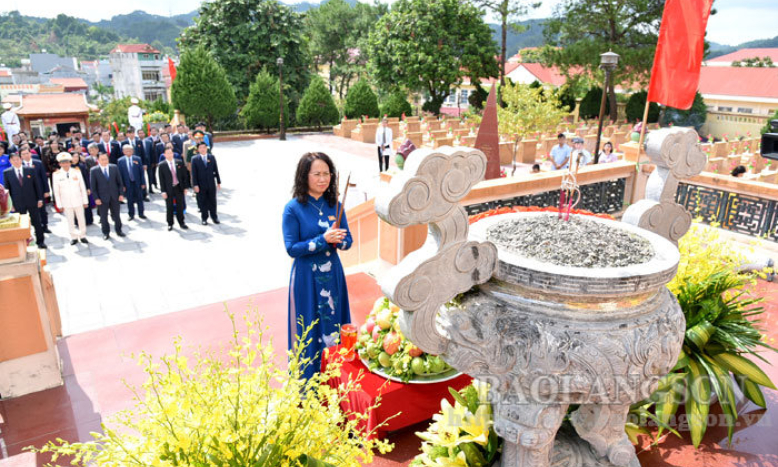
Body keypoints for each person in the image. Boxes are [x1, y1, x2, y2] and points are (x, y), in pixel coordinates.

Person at [282, 152, 352, 380]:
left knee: (334, 321)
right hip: (306, 278)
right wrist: (323, 240)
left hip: (333, 275)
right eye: (317, 174)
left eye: (326, 174)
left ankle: (336, 378)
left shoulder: (335, 205)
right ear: (304, 176)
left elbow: (348, 240)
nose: (323, 179)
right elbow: (292, 248)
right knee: (309, 325)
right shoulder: (293, 209)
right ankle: (310, 379)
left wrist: (341, 241)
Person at [3, 151, 46, 248]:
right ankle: (25, 242)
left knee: (37, 222)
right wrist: (10, 205)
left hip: (32, 200)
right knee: (22, 224)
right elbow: (7, 190)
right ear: (10, 161)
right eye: (13, 160)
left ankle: (40, 242)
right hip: (18, 203)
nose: (16, 161)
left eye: (18, 159)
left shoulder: (29, 170)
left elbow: (37, 186)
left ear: (21, 159)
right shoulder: (7, 172)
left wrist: (40, 199)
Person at [53, 152, 89, 245]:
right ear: (60, 164)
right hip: (66, 202)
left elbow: (82, 187)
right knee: (70, 220)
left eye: (67, 162)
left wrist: (85, 201)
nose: (65, 164)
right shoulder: (56, 175)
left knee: (81, 219)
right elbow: (56, 192)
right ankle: (73, 236)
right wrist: (59, 204)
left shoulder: (76, 172)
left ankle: (82, 235)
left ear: (70, 162)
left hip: (78, 200)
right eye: (63, 163)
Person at [90, 152, 125, 239]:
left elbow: (120, 182)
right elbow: (93, 187)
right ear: (98, 160)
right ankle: (106, 232)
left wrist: (121, 194)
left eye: (106, 159)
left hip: (114, 196)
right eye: (102, 159)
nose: (104, 161)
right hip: (102, 198)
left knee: (116, 215)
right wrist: (96, 198)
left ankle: (119, 230)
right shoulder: (94, 170)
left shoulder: (114, 167)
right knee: (103, 216)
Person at [20, 145, 51, 232]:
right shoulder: (20, 165)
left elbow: (44, 178)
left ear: (30, 153)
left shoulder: (38, 163)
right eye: (23, 154)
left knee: (42, 210)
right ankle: (36, 227)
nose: (26, 155)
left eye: (27, 153)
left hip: (40, 190)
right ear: (21, 156)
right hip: (28, 192)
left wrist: (46, 190)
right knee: (32, 211)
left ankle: (45, 226)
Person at [158, 145, 190, 231]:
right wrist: (163, 191)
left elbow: (184, 176)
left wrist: (185, 187)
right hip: (168, 189)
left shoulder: (179, 162)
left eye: (171, 153)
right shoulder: (162, 165)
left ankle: (181, 222)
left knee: (180, 205)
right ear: (164, 155)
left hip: (178, 187)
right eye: (167, 153)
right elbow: (161, 179)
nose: (169, 155)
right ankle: (170, 223)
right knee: (169, 206)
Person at [190, 142, 221, 225]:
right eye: (200, 148)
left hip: (211, 184)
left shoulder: (211, 157)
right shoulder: (195, 159)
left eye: (204, 147)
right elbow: (193, 173)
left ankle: (214, 217)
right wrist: (195, 185)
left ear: (206, 148)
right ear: (198, 149)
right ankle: (204, 218)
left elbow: (216, 170)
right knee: (202, 201)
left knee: (212, 201)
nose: (203, 149)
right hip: (200, 185)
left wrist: (218, 181)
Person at [117, 144, 146, 220]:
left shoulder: (137, 159)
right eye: (126, 151)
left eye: (130, 150)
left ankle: (141, 213)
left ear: (132, 151)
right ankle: (131, 214)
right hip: (127, 183)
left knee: (140, 198)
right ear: (123, 152)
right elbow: (120, 174)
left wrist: (143, 183)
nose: (128, 152)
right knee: (129, 199)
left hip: (137, 182)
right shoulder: (120, 161)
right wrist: (122, 185)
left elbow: (141, 172)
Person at [71, 151, 95, 226]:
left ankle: (88, 220)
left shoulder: (82, 166)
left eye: (77, 157)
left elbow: (86, 177)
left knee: (86, 204)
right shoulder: (68, 167)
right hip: (73, 189)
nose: (75, 159)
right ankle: (77, 221)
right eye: (74, 157)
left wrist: (88, 188)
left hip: (83, 188)